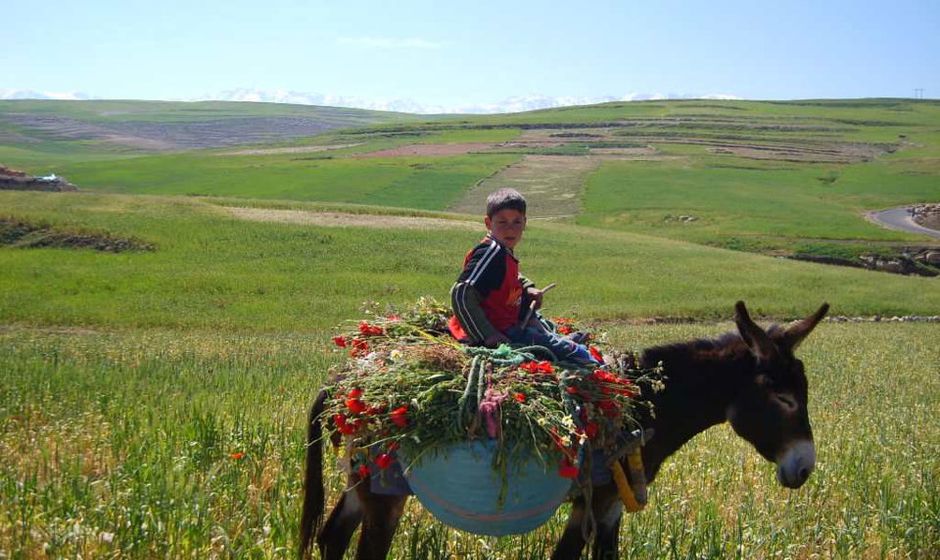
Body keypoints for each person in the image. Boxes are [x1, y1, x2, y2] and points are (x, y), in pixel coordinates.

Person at [448, 188, 599, 365]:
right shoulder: (491, 253)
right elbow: (461, 293)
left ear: (525, 223)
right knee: (577, 355)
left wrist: (528, 287)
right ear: (488, 223)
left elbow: (507, 276)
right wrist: (488, 335)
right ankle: (591, 361)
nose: (510, 229)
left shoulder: (502, 251)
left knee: (537, 320)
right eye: (502, 222)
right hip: (500, 328)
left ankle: (554, 339)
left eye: (516, 222)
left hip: (509, 317)